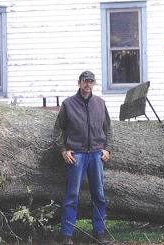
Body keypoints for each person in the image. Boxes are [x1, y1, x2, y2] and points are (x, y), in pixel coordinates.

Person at [53, 70, 112, 245]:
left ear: (93, 84)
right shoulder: (68, 104)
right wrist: (64, 150)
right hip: (76, 155)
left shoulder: (100, 103)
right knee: (72, 195)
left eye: (91, 82)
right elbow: (58, 130)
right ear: (78, 83)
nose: (88, 85)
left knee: (99, 195)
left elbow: (108, 129)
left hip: (96, 155)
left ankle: (99, 234)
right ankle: (67, 235)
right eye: (85, 81)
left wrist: (107, 149)